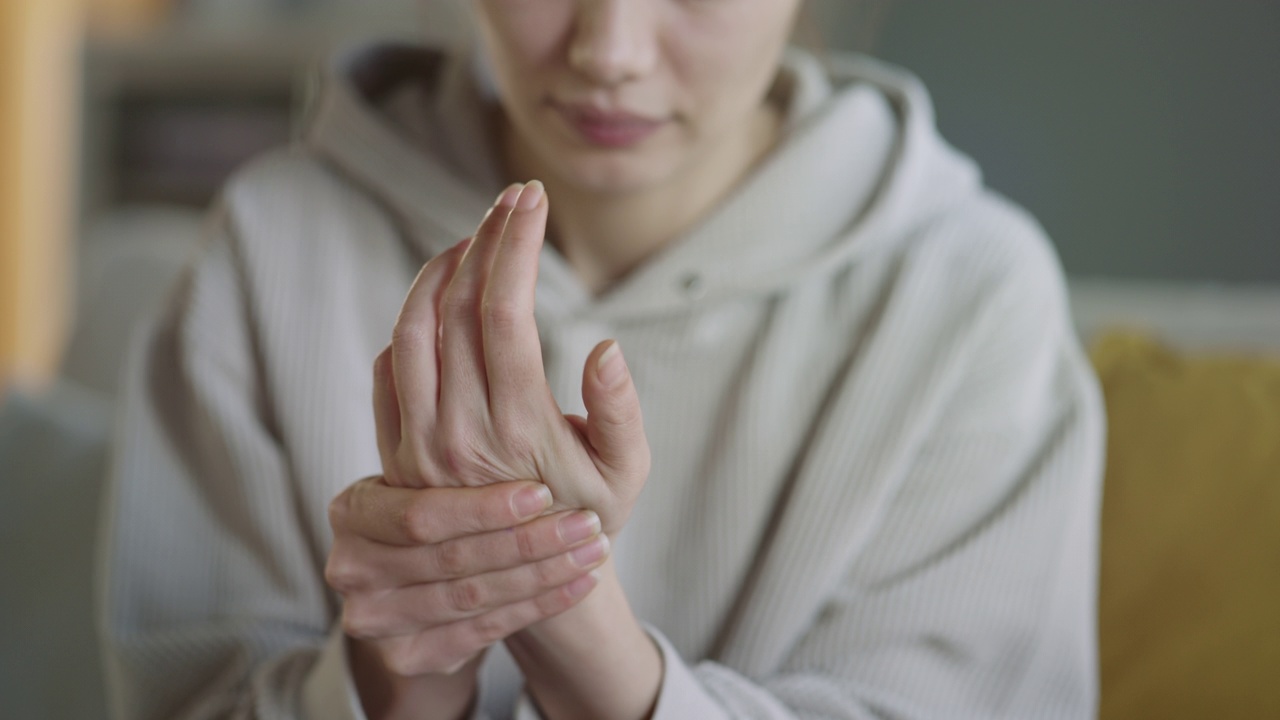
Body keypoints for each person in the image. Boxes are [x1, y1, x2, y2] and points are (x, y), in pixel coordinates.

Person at [100, 1, 1105, 718]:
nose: (609, 49)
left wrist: (580, 635)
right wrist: (392, 681)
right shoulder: (274, 241)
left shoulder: (969, 300)